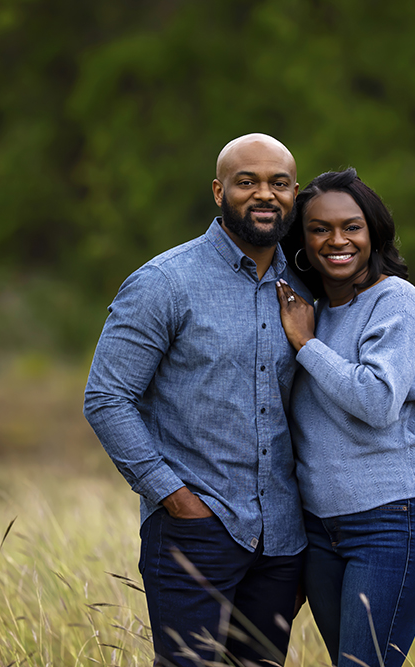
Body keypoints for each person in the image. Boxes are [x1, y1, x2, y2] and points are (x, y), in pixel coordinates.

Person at [83, 133, 312, 667]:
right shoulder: (164, 283)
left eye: (278, 183)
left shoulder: (305, 286)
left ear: (294, 194)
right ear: (217, 191)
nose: (264, 195)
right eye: (246, 181)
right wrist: (176, 499)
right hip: (194, 530)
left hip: (281, 539)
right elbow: (107, 398)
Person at [276, 168, 415, 667]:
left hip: (392, 519)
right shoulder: (311, 309)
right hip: (319, 529)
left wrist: (307, 345)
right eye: (320, 229)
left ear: (373, 232)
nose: (337, 241)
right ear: (302, 241)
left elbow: (376, 401)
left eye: (351, 226)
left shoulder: (395, 301)